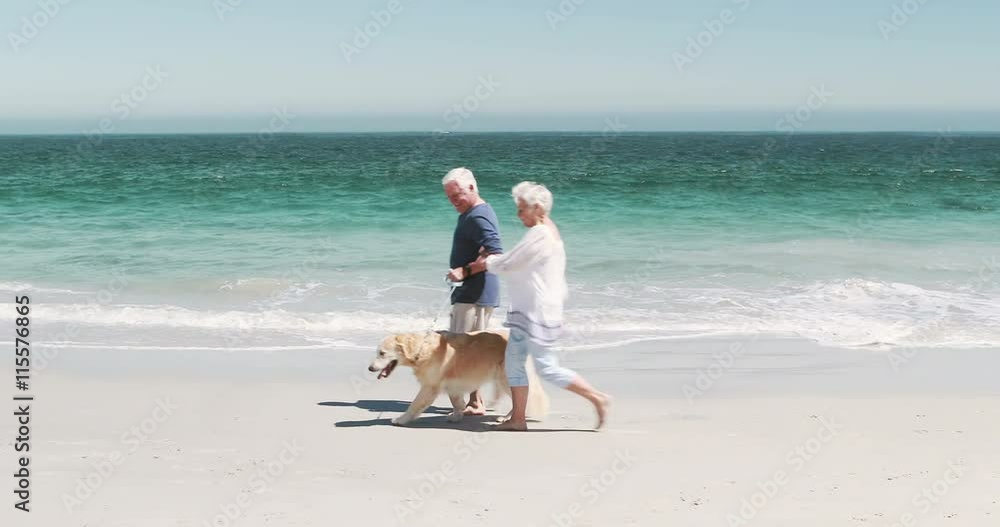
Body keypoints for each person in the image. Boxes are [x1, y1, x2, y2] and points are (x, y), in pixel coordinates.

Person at [468, 181, 610, 431]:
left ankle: (597, 397)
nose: (518, 214)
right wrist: (492, 261)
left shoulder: (540, 234)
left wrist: (484, 263)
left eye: (522, 208)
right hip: (529, 311)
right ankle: (518, 419)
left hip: (538, 313)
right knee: (514, 361)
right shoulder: (547, 229)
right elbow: (518, 262)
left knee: (547, 368)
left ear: (537, 208)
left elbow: (510, 263)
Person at [441, 167, 504, 415]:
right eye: (449, 197)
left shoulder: (479, 215)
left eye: (457, 195)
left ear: (471, 187)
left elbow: (495, 252)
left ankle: (476, 402)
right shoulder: (471, 213)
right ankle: (475, 401)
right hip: (471, 293)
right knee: (468, 350)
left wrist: (464, 271)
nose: (453, 201)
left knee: (464, 350)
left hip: (476, 294)